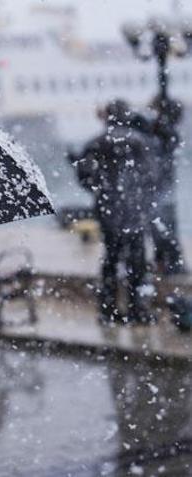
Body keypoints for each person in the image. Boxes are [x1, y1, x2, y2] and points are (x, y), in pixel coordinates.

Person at [69, 100, 156, 324]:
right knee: (136, 261)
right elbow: (151, 177)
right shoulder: (140, 142)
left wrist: (100, 190)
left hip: (108, 209)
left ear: (106, 117)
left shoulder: (96, 143)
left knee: (111, 259)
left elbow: (84, 176)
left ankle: (108, 310)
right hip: (134, 210)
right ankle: (137, 310)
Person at [136, 95, 186, 275]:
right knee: (163, 227)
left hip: (158, 189)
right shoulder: (166, 136)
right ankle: (166, 264)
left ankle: (171, 265)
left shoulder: (164, 135)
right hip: (161, 189)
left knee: (161, 229)